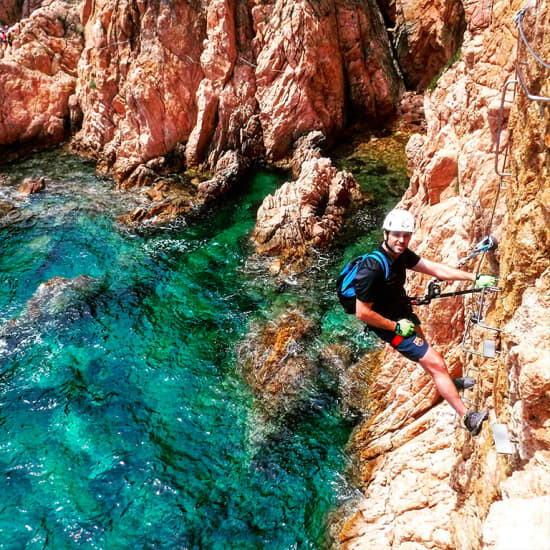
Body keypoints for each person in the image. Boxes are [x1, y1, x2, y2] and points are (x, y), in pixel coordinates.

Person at [352, 209, 496, 436]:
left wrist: (474, 279)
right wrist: (395, 327)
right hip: (391, 325)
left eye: (406, 235)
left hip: (402, 312)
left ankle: (449, 383)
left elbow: (435, 269)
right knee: (437, 364)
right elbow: (362, 313)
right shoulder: (372, 269)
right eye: (396, 234)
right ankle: (468, 417)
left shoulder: (400, 255)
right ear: (385, 234)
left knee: (428, 353)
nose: (401, 240)